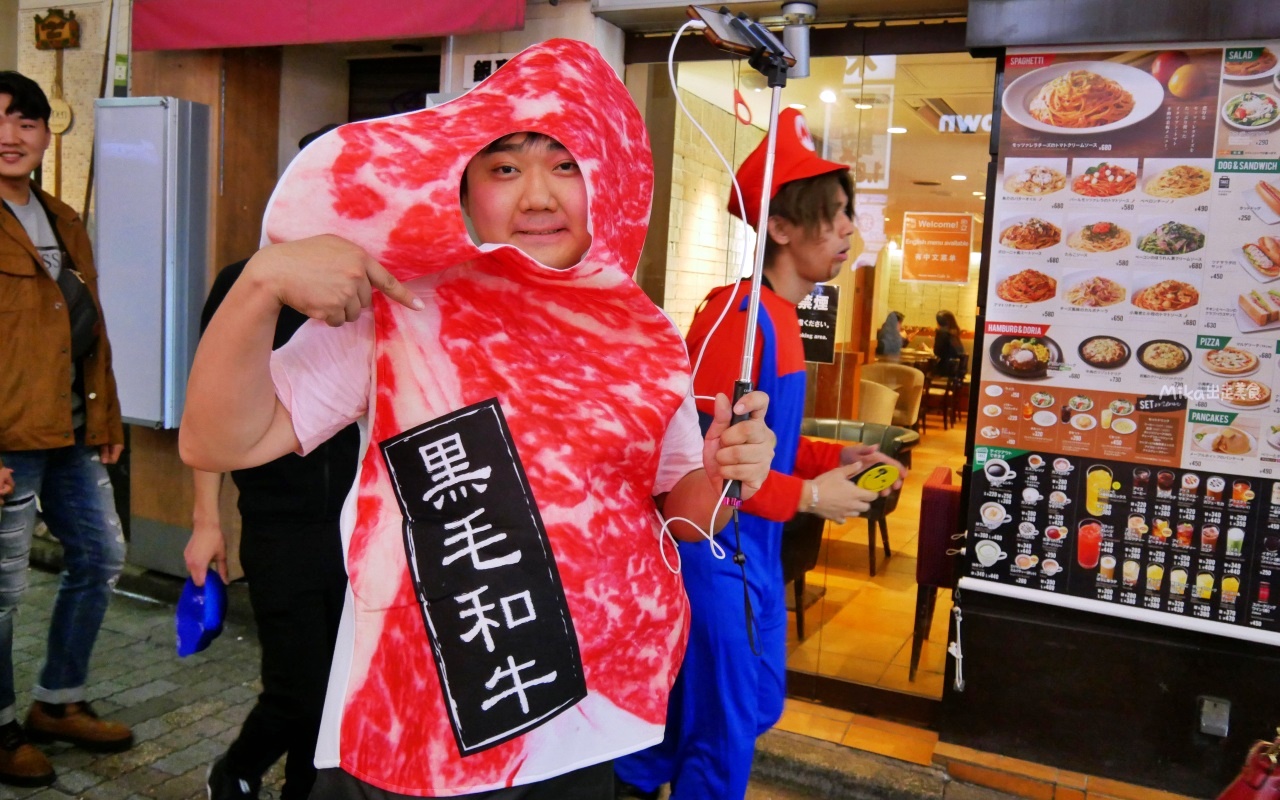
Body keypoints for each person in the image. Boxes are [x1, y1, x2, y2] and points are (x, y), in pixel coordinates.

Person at [178, 40, 775, 799]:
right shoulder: (409, 306)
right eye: (505, 167)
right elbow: (217, 439)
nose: (537, 195)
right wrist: (258, 285)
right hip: (412, 727)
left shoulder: (644, 336)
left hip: (575, 727)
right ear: (464, 184)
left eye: (566, 164)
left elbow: (677, 515)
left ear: (609, 180)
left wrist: (724, 471)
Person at [614, 108, 906, 800]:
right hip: (715, 561)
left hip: (754, 557)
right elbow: (701, 469)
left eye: (848, 215)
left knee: (725, 719)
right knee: (717, 738)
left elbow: (774, 439)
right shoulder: (738, 321)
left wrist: (838, 454)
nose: (847, 232)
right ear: (778, 227)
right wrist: (809, 496)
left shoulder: (780, 317)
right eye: (831, 217)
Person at [0, 71, 132, 788]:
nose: (9, 137)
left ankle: (57, 701)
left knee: (100, 558)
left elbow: (88, 332)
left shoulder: (61, 217)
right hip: (7, 439)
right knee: (0, 590)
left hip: (73, 432)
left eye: (24, 121)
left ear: (46, 135)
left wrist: (105, 418)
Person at [186, 257, 357, 800]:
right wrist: (206, 522)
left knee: (338, 691)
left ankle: (303, 789)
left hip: (363, 526)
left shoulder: (379, 285)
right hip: (279, 525)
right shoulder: (251, 282)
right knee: (297, 690)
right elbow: (210, 406)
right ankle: (236, 769)